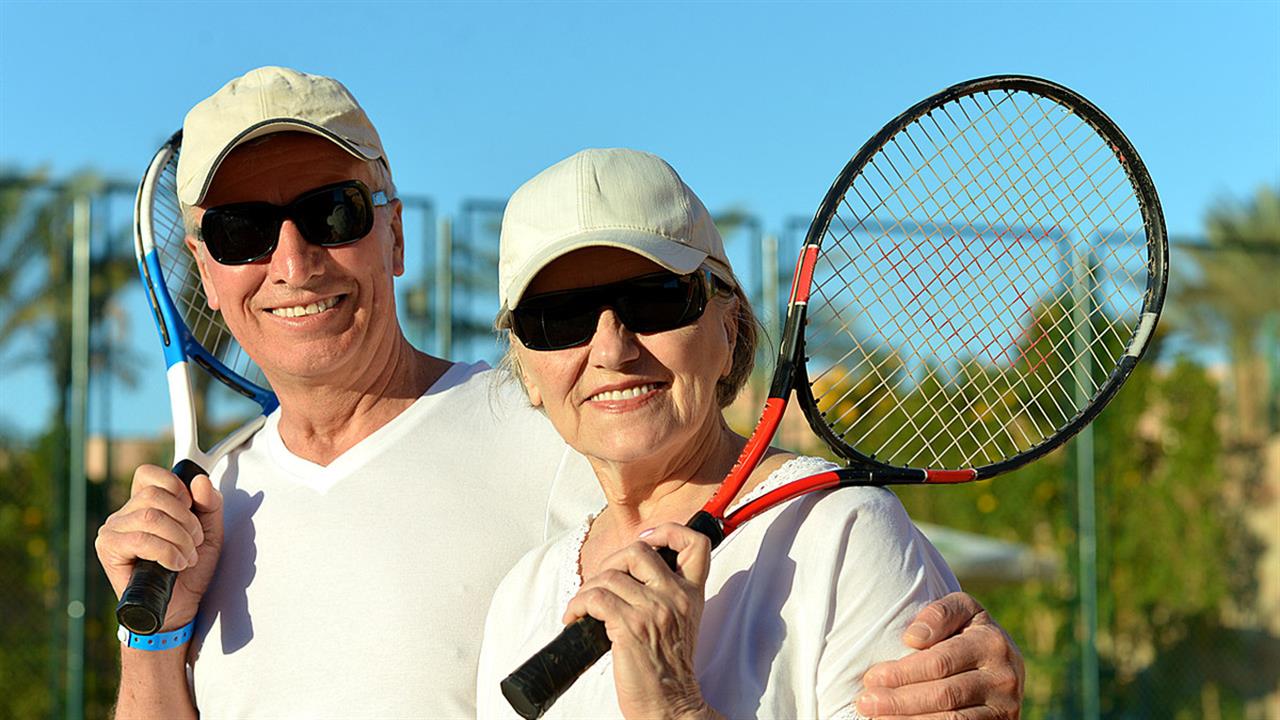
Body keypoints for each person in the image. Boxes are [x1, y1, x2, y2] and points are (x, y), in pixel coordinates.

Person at [94, 66, 1023, 719]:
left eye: (331, 214)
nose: (292, 261)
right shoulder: (526, 595)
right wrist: (153, 646)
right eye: (245, 230)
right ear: (204, 272)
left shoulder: (580, 444)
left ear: (395, 236)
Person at [475, 148, 1003, 718]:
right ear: (526, 369)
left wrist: (673, 705)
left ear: (729, 327)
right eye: (558, 319)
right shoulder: (523, 594)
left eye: (654, 300)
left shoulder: (843, 534)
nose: (612, 350)